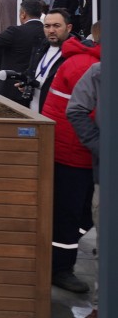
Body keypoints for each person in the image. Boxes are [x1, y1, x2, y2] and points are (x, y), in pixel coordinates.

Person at [39, 32, 101, 295]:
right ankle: (59, 267)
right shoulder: (87, 66)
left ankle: (58, 260)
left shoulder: (80, 60)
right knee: (71, 214)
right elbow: (90, 113)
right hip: (75, 153)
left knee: (78, 213)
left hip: (75, 151)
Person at [65, 61, 101, 318]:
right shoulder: (101, 71)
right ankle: (103, 307)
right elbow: (76, 109)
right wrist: (103, 147)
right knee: (108, 243)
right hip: (108, 174)